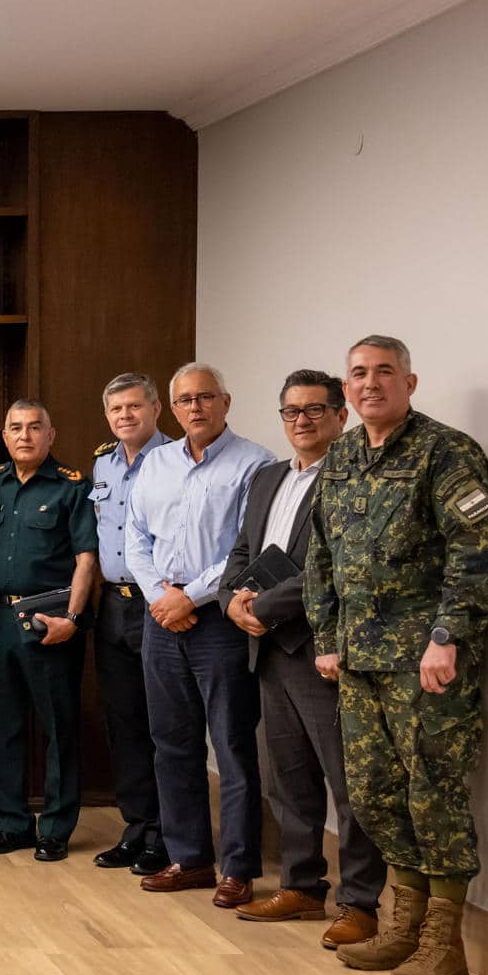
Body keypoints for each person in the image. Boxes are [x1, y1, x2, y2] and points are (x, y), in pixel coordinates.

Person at [307, 335, 488, 975]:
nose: (370, 382)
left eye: (385, 371)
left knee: (433, 793)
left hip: (428, 663)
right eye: (359, 372)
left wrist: (447, 635)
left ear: (410, 383)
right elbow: (320, 554)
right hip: (359, 661)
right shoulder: (343, 455)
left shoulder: (447, 453)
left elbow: (477, 552)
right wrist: (326, 635)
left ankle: (444, 940)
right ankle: (405, 920)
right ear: (347, 387)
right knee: (376, 794)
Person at [222, 370, 383, 946]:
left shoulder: (354, 475)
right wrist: (231, 600)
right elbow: (243, 550)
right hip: (268, 650)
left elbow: (334, 563)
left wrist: (261, 604)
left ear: (341, 416)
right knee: (288, 781)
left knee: (348, 783)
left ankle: (360, 903)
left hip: (324, 649)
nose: (302, 421)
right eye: (291, 411)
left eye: (315, 410)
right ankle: (301, 887)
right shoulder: (267, 478)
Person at [125, 362, 276, 905]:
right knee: (171, 743)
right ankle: (188, 857)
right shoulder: (156, 462)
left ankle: (238, 866)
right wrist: (160, 599)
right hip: (160, 615)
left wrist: (190, 597)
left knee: (233, 745)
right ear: (173, 407)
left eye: (206, 397)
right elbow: (135, 537)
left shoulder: (255, 463)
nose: (196, 407)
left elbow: (247, 545)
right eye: (186, 399)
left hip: (220, 618)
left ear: (226, 402)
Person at [0, 401, 98, 861]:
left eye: (34, 428)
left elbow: (87, 557)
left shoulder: (71, 487)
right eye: (15, 428)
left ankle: (56, 829)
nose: (24, 436)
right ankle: (12, 824)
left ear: (52, 434)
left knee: (58, 726)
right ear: (4, 436)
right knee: (4, 726)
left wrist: (72, 617)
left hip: (51, 619)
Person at [88, 374, 173, 873]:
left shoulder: (175, 461)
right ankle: (136, 826)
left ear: (156, 409)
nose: (125, 416)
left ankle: (165, 832)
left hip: (156, 604)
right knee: (122, 722)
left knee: (161, 722)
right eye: (116, 408)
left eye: (134, 406)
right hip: (113, 605)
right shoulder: (103, 463)